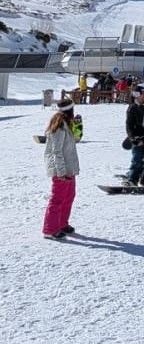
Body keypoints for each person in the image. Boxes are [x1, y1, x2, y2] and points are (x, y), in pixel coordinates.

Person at [41, 99, 80, 239]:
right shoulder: (59, 126)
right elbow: (56, 151)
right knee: (57, 199)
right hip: (61, 169)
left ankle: (62, 223)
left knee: (69, 196)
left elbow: (77, 138)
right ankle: (50, 229)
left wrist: (78, 125)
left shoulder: (66, 123)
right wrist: (61, 172)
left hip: (69, 168)